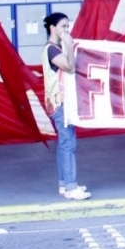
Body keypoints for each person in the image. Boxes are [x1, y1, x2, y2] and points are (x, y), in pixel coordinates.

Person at [41, 12, 89, 200]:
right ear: (52, 28)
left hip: (58, 102)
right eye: (63, 26)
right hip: (59, 102)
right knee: (68, 143)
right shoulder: (53, 49)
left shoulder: (54, 48)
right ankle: (71, 187)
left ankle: (64, 184)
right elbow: (70, 67)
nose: (66, 30)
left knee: (64, 143)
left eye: (68, 26)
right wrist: (69, 45)